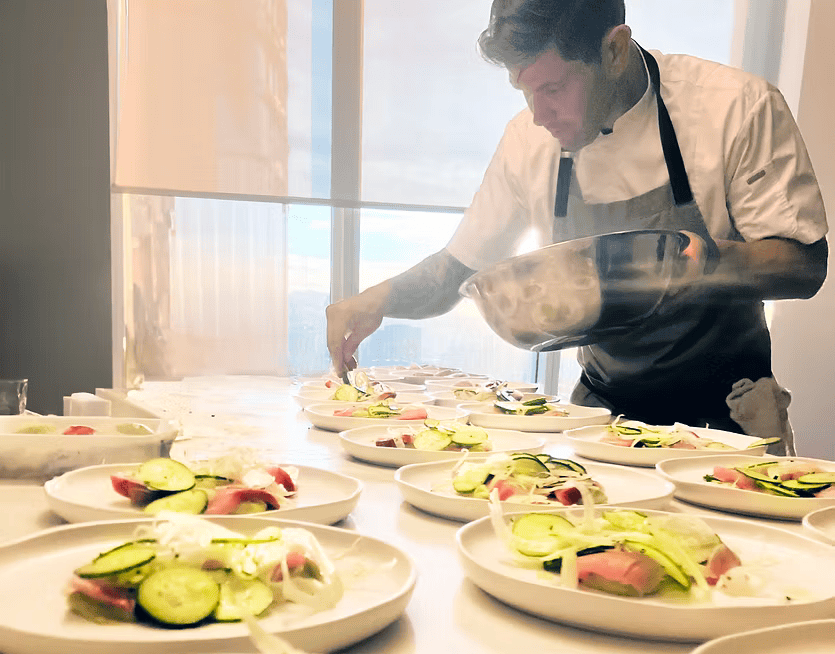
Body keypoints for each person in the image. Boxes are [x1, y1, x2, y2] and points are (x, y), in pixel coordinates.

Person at [326, 0, 827, 445]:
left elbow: (803, 264)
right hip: (601, 422)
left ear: (614, 50)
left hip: (730, 417)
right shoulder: (527, 140)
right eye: (524, 91)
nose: (540, 114)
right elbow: (457, 273)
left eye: (554, 87)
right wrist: (377, 300)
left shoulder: (735, 107)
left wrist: (695, 261)